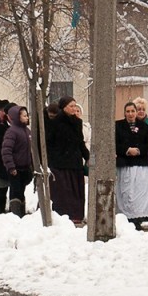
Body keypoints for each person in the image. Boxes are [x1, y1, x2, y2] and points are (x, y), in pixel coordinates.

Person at [115, 101, 148, 229]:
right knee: (127, 193)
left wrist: (138, 150)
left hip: (141, 164)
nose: (131, 114)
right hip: (125, 164)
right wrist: (127, 150)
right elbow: (115, 143)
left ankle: (139, 217)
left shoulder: (144, 126)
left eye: (133, 111)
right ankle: (127, 218)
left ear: (136, 113)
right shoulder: (118, 126)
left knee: (140, 193)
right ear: (124, 113)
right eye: (128, 111)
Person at [45, 96, 89, 224]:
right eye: (71, 106)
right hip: (60, 163)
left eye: (75, 106)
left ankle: (76, 216)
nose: (74, 108)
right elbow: (50, 143)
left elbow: (80, 142)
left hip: (74, 162)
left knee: (76, 192)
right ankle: (63, 217)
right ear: (63, 107)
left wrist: (87, 156)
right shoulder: (55, 122)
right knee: (63, 192)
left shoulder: (77, 122)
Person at [1, 105, 33, 217]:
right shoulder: (12, 131)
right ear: (16, 117)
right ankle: (15, 214)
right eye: (24, 116)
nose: (27, 117)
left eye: (27, 115)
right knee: (15, 192)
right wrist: (11, 167)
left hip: (25, 167)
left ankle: (21, 213)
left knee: (21, 191)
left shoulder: (27, 131)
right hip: (15, 168)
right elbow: (6, 150)